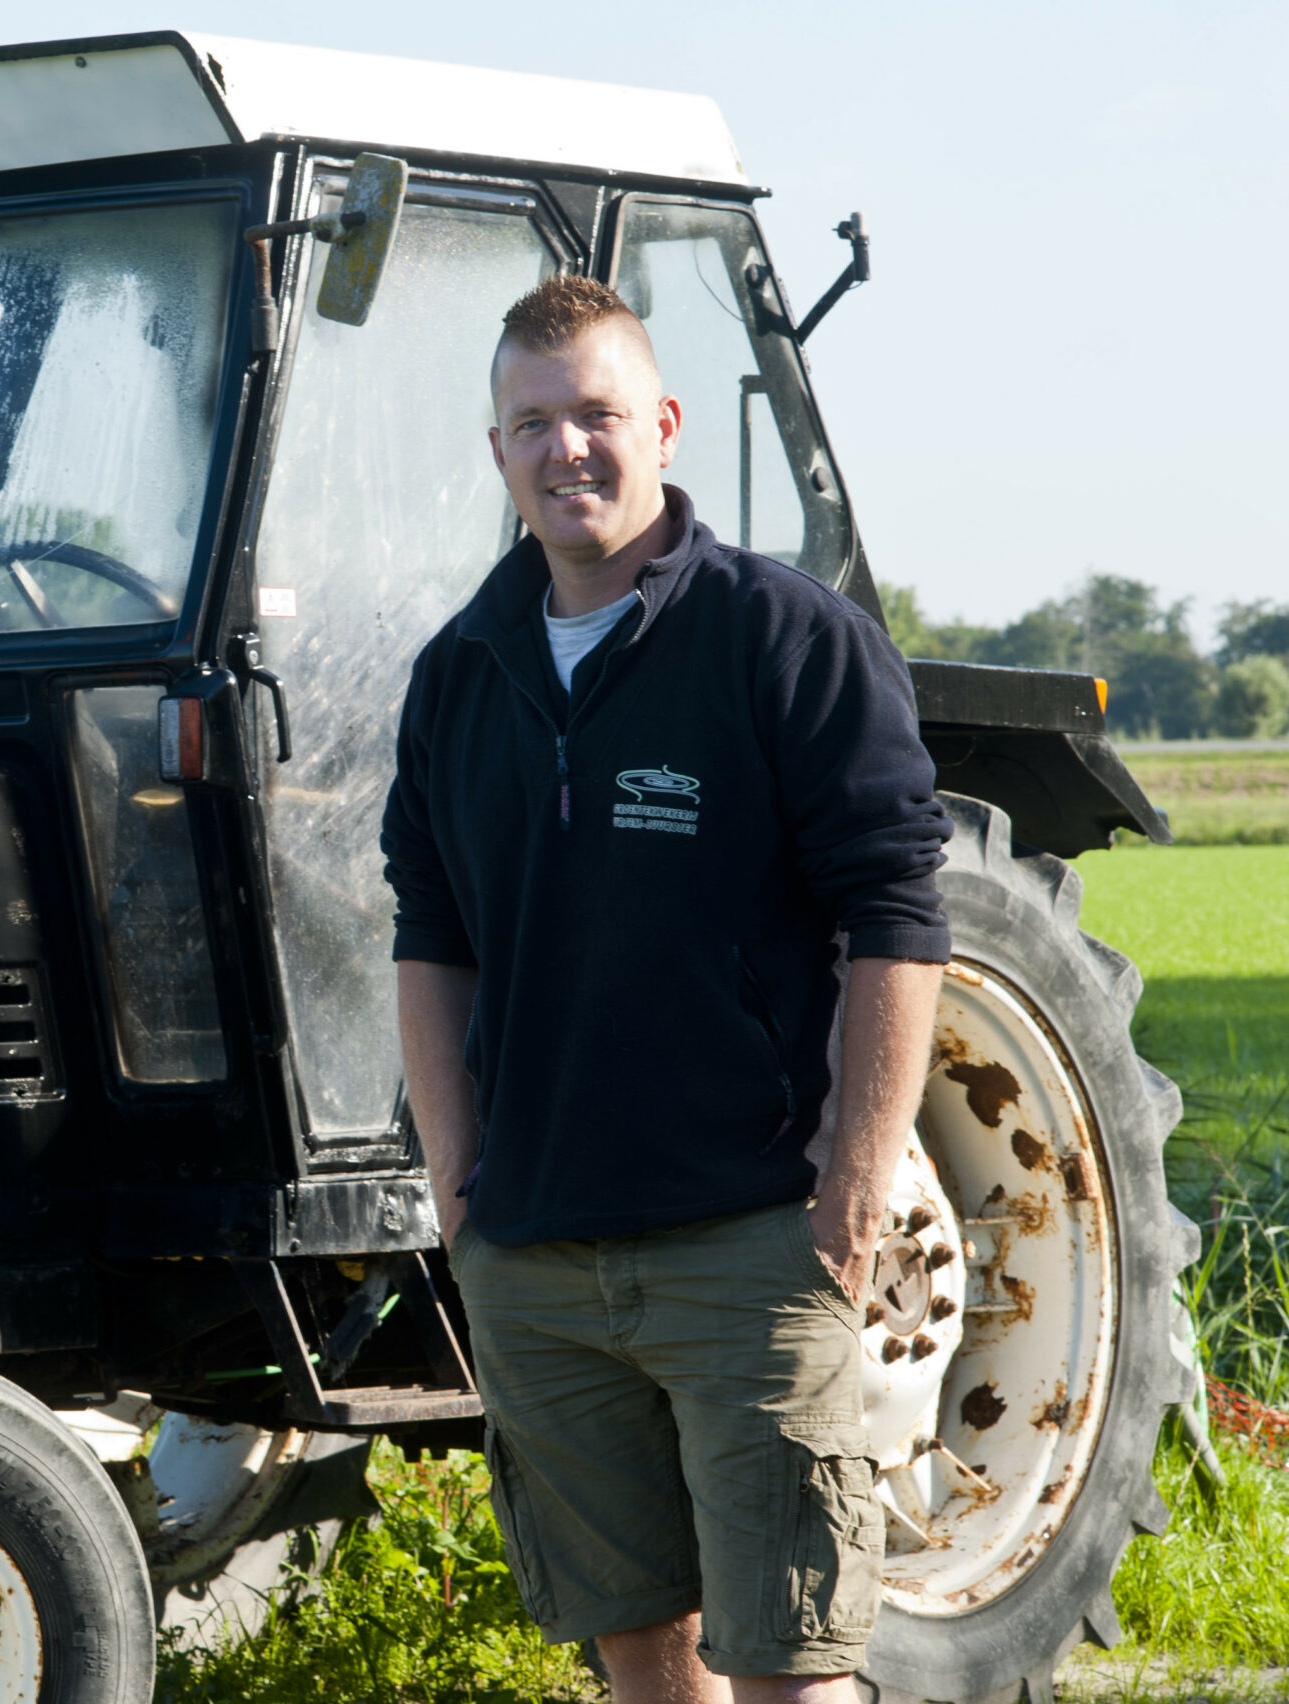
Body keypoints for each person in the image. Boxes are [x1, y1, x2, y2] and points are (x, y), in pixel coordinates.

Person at [379, 274, 952, 1704]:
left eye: (598, 414)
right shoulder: (460, 674)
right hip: (539, 1257)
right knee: (640, 1655)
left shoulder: (784, 639)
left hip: (749, 1244)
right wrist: (461, 1193)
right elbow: (428, 937)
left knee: (787, 1658)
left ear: (667, 426)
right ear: (495, 450)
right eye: (534, 423)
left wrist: (856, 1188)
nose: (568, 448)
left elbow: (899, 917)